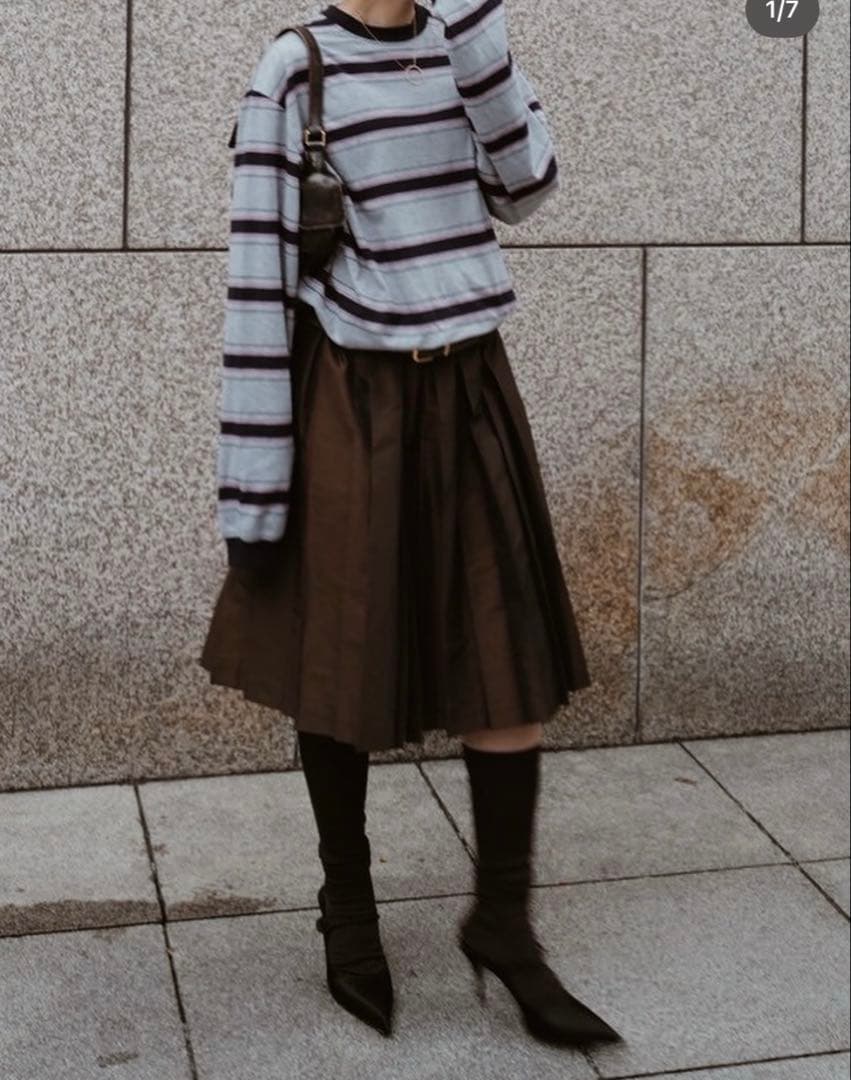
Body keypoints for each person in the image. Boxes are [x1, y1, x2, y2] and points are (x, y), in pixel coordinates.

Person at [200, 0, 622, 1048]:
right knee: (341, 660)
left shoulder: (462, 45)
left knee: (505, 656)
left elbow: (528, 186)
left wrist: (476, 32)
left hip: (472, 386)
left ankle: (502, 922)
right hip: (352, 397)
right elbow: (257, 283)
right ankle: (347, 907)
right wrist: (252, 482)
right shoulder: (293, 71)